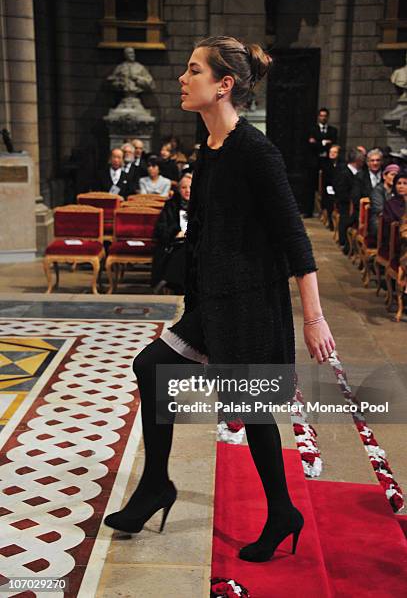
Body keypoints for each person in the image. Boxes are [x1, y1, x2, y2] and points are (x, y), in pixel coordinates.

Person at [104, 35, 335, 563]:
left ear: (223, 84)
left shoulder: (257, 152)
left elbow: (293, 238)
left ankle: (281, 512)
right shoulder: (208, 147)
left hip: (251, 307)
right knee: (151, 368)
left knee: (252, 413)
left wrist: (314, 318)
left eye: (193, 71)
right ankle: (157, 485)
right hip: (210, 304)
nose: (182, 79)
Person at [151, 173, 192, 294]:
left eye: (190, 187)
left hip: (196, 243)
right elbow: (161, 228)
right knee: (183, 250)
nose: (187, 191)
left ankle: (167, 279)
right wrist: (175, 233)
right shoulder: (171, 205)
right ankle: (178, 286)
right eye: (184, 188)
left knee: (187, 249)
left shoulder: (202, 205)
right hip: (174, 242)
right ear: (179, 189)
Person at [305, 107, 338, 218]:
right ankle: (308, 211)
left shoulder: (333, 130)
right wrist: (324, 142)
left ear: (327, 117)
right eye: (321, 115)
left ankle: (324, 212)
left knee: (326, 187)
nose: (323, 118)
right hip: (314, 162)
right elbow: (310, 144)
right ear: (318, 117)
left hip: (327, 163)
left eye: (325, 116)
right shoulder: (312, 129)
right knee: (310, 186)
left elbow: (333, 144)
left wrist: (318, 142)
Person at [333, 148, 365, 250]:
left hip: (356, 203)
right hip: (345, 204)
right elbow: (340, 191)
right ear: (358, 160)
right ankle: (345, 243)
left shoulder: (360, 173)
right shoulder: (344, 173)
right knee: (346, 218)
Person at [369, 163, 400, 240]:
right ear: (384, 176)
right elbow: (379, 209)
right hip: (380, 222)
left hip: (396, 220)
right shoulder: (377, 191)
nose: (395, 178)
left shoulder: (399, 191)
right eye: (392, 175)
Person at [351, 148, 383, 222]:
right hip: (364, 212)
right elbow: (356, 198)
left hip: (383, 213)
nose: (375, 163)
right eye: (372, 160)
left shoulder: (386, 176)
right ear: (367, 163)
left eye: (378, 160)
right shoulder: (360, 176)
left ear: (381, 162)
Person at [321, 144, 341, 229]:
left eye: (335, 152)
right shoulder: (325, 164)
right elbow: (326, 180)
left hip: (339, 188)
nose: (332, 154)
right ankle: (331, 221)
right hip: (328, 187)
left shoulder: (341, 165)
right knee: (329, 199)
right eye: (331, 152)